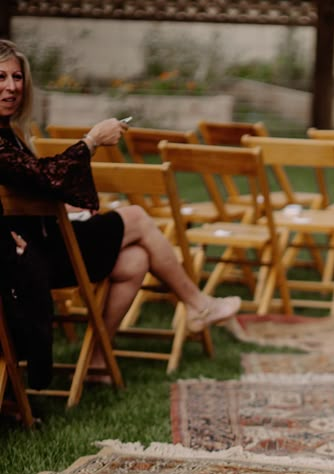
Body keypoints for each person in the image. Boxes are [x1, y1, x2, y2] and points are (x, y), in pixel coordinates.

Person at [0, 38, 241, 382]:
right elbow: (45, 176)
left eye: (17, 77)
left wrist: (60, 204)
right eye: (1, 77)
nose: (11, 87)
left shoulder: (8, 134)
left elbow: (31, 185)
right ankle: (197, 304)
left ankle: (97, 360)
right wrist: (92, 140)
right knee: (137, 218)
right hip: (31, 257)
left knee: (136, 260)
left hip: (40, 243)